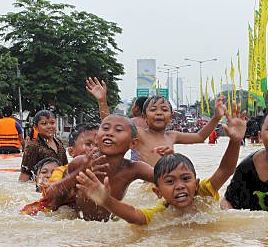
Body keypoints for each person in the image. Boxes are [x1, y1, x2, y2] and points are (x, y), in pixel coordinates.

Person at [75, 103, 247, 225]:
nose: (180, 186)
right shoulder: (161, 212)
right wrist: (107, 200)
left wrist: (235, 141)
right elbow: (134, 216)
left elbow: (225, 169)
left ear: (196, 183)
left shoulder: (204, 192)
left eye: (186, 179)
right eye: (170, 182)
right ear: (158, 192)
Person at [86, 77, 227, 166]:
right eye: (153, 109)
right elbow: (109, 125)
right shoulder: (138, 133)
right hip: (144, 185)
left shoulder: (172, 135)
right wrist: (102, 101)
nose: (159, 112)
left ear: (171, 117)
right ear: (145, 117)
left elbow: (200, 137)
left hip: (164, 183)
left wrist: (216, 117)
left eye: (164, 109)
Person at [42, 114, 154, 221]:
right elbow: (51, 196)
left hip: (109, 225)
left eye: (118, 130)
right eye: (105, 128)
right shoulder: (80, 162)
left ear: (133, 144)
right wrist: (79, 172)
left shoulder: (134, 169)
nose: (109, 133)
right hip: (76, 224)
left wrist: (169, 161)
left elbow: (164, 178)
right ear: (97, 138)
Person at [19, 123, 99, 216]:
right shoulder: (61, 171)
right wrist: (77, 174)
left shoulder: (104, 170)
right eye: (88, 144)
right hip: (48, 213)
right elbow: (50, 193)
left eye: (99, 145)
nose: (95, 149)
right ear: (71, 151)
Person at [19, 110, 67, 182]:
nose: (49, 126)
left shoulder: (59, 143)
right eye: (44, 124)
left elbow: (65, 168)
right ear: (35, 128)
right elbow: (25, 174)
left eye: (52, 123)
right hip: (41, 185)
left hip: (57, 185)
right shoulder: (33, 147)